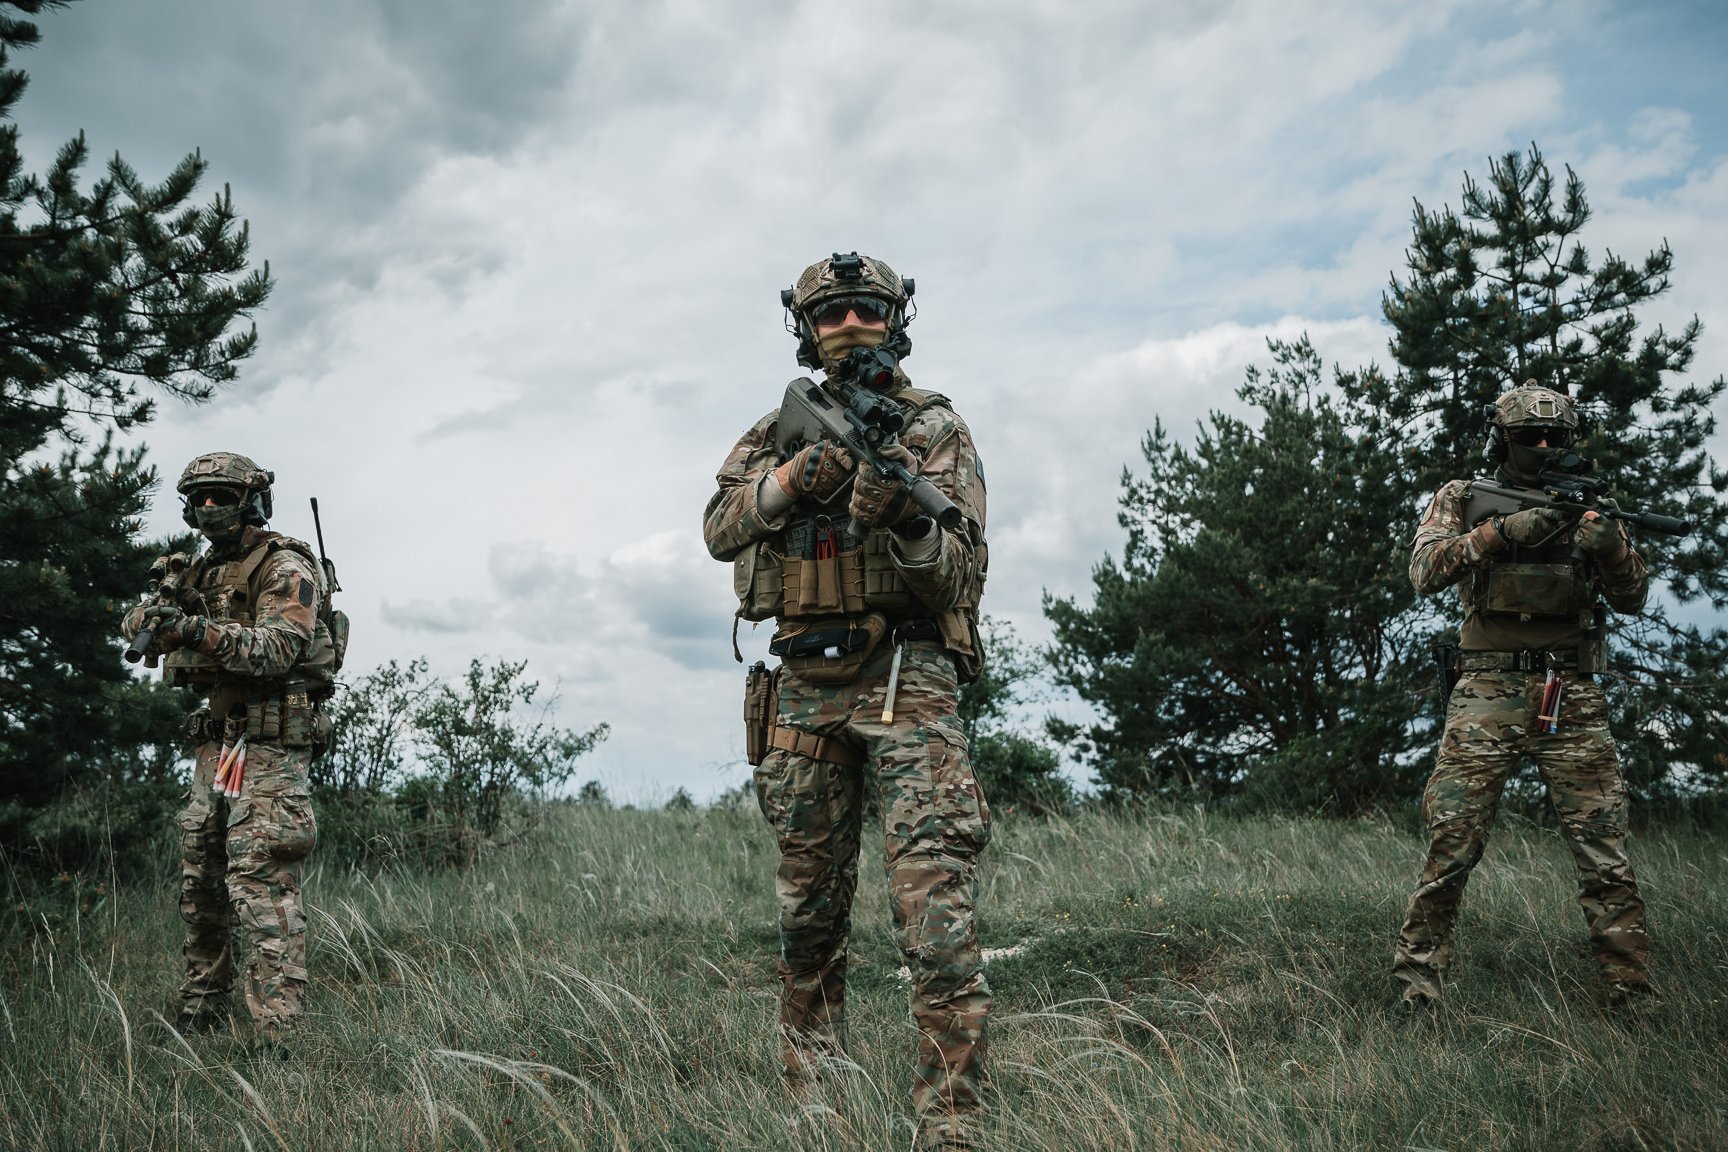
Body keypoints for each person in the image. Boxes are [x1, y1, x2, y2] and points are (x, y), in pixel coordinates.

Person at [704, 253, 991, 1149]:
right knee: (807, 920)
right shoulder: (771, 431)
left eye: (867, 309)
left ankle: (951, 1122)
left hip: (910, 679)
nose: (851, 326)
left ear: (896, 317)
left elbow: (961, 571)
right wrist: (795, 482)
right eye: (831, 316)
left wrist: (902, 515)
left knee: (935, 918)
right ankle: (813, 1107)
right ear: (807, 329)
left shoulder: (934, 430)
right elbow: (718, 529)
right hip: (803, 687)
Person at [1393, 383, 1653, 1008]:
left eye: (1554, 437)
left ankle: (1631, 992)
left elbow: (1634, 595)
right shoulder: (1463, 498)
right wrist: (1501, 533)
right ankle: (1416, 988)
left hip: (1572, 690)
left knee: (1604, 850)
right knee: (1452, 842)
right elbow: (1424, 570)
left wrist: (1613, 552)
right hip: (1488, 687)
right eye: (1529, 438)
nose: (1542, 446)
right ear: (1502, 439)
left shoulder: (1593, 506)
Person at [123, 452, 343, 1044]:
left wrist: (193, 630)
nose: (209, 508)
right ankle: (201, 1010)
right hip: (217, 743)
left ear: (251, 502)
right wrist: (149, 616)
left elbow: (275, 650)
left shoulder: (285, 565)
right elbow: (137, 624)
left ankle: (277, 1034)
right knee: (201, 878)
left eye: (222, 496)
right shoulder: (197, 570)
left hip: (270, 743)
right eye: (199, 499)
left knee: (262, 881)